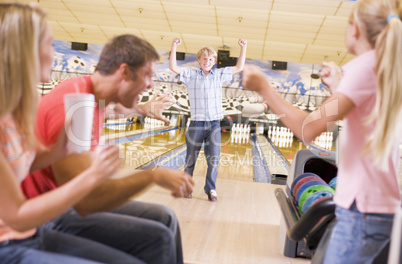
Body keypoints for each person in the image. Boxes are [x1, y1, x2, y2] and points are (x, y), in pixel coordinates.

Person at [242, 0, 402, 263]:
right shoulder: (382, 67)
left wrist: (265, 89)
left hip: (361, 210)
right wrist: (339, 88)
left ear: (356, 29)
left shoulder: (362, 69)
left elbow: (308, 130)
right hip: (377, 206)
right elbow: (363, 114)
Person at [20, 34, 195, 264]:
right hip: (49, 213)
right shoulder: (76, 108)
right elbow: (87, 201)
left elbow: (112, 110)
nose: (152, 84)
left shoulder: (89, 93)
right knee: (158, 237)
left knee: (166, 218)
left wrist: (141, 109)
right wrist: (152, 175)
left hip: (60, 203)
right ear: (124, 72)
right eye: (148, 75)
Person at [0, 3, 143, 263]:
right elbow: (17, 215)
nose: (54, 53)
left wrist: (56, 152)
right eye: (49, 44)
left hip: (25, 233)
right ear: (23, 50)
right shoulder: (73, 94)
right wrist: (93, 175)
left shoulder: (13, 108)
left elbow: (19, 164)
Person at [169, 38, 247, 202]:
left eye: (211, 59)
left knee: (214, 160)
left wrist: (243, 47)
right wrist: (174, 46)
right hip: (196, 124)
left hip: (214, 125)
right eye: (204, 58)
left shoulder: (219, 74)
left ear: (214, 61)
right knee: (190, 160)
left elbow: (239, 67)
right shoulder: (191, 75)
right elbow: (173, 67)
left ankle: (210, 189)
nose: (207, 61)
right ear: (199, 60)